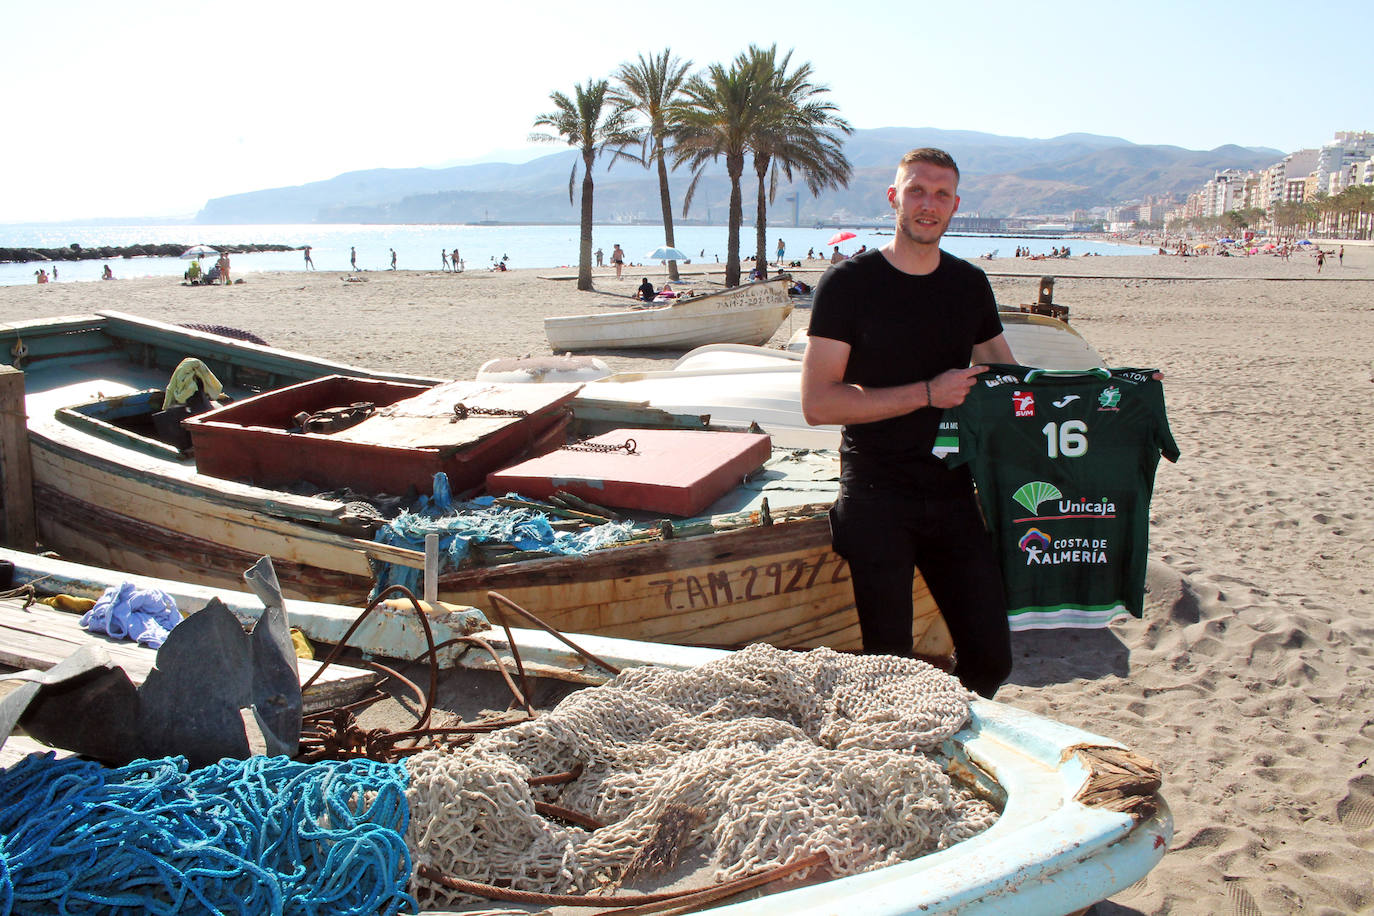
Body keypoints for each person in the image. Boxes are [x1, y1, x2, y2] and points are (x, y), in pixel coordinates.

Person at [800, 147, 1016, 699]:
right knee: (889, 667)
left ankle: (952, 738)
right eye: (917, 191)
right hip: (877, 491)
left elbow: (1011, 376)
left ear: (955, 206)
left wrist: (1110, 390)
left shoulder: (968, 285)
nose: (929, 204)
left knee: (991, 658)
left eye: (941, 194)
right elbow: (819, 403)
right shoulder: (848, 285)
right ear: (894, 197)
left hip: (951, 489)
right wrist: (928, 393)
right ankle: (901, 758)